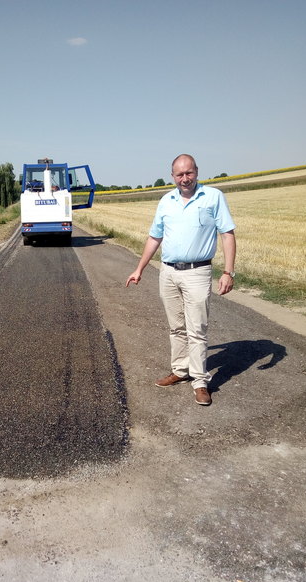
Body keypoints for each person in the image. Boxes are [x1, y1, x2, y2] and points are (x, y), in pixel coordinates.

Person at [126, 154, 236, 406]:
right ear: (172, 176)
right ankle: (180, 370)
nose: (185, 179)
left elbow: (227, 234)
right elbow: (155, 237)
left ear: (196, 171)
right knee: (176, 327)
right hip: (168, 272)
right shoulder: (166, 201)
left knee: (197, 329)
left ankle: (200, 381)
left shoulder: (213, 197)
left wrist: (228, 272)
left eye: (189, 173)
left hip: (198, 273)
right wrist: (139, 268)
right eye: (179, 174)